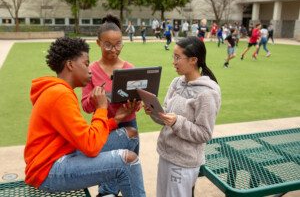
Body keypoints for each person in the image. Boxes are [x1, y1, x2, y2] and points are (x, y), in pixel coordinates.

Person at [24, 36, 146, 197]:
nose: (90, 70)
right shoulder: (59, 94)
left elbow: (81, 136)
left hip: (63, 155)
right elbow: (90, 146)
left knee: (130, 135)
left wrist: (116, 119)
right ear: (70, 65)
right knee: (127, 160)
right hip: (48, 171)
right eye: (86, 64)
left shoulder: (60, 91)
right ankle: (108, 192)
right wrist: (101, 108)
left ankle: (108, 193)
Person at [143, 36, 221, 197]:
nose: (174, 62)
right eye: (174, 56)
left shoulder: (207, 93)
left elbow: (204, 134)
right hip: (166, 154)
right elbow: (166, 119)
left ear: (193, 60)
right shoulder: (176, 83)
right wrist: (154, 112)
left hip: (184, 163)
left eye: (178, 57)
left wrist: (178, 122)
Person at [81, 14, 142, 196]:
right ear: (98, 43)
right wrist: (98, 99)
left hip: (129, 124)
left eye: (117, 45)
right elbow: (85, 106)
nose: (113, 49)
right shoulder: (90, 70)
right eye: (108, 45)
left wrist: (135, 103)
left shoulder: (129, 69)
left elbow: (137, 105)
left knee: (127, 168)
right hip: (103, 127)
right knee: (107, 171)